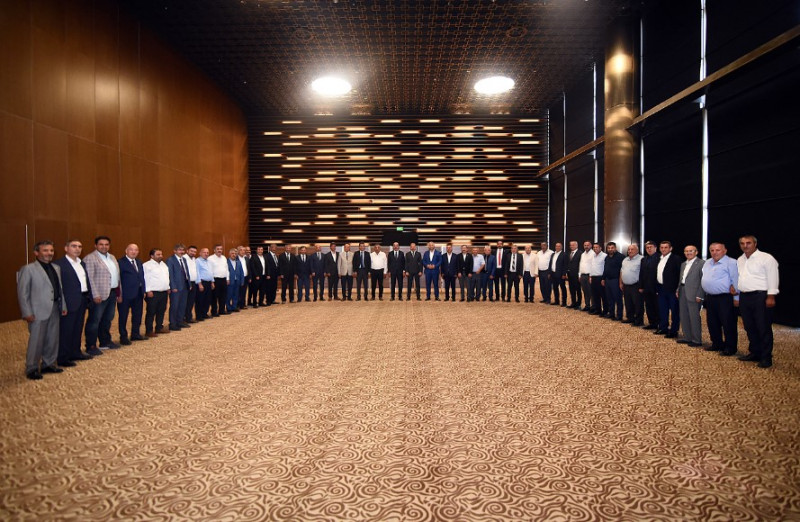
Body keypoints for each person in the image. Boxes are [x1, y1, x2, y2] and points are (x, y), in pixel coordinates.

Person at [17, 240, 67, 380]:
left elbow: (59, 289)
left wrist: (63, 306)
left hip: (54, 308)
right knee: (36, 340)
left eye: (51, 250)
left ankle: (49, 364)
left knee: (52, 338)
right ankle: (32, 368)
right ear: (36, 252)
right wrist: (27, 312)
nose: (49, 253)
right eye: (45, 250)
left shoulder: (56, 268)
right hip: (37, 310)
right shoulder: (28, 269)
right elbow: (23, 293)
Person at [736, 235, 779, 368]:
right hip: (744, 296)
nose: (745, 246)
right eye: (742, 243)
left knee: (763, 327)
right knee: (749, 326)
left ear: (755, 244)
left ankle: (766, 357)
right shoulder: (740, 259)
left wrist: (771, 296)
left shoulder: (766, 258)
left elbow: (773, 277)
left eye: (748, 243)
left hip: (761, 296)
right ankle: (755, 352)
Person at [54, 239, 93, 364]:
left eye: (80, 246)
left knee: (77, 328)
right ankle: (63, 357)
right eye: (74, 246)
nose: (77, 249)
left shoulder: (82, 263)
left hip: (82, 299)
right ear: (66, 248)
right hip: (68, 301)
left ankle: (75, 352)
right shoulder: (59, 264)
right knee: (66, 330)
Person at [83, 236, 121, 353]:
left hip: (112, 293)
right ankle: (91, 345)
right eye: (101, 244)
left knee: (107, 319)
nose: (104, 247)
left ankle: (105, 342)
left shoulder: (112, 257)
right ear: (95, 245)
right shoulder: (90, 258)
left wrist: (119, 293)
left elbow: (117, 276)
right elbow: (89, 278)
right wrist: (95, 294)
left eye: (106, 244)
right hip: (99, 295)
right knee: (94, 320)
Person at [701, 242, 739, 356]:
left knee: (728, 323)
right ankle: (717, 344)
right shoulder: (707, 262)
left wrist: (737, 298)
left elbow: (736, 280)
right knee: (712, 322)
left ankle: (730, 347)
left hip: (725, 297)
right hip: (710, 297)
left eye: (717, 250)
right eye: (712, 250)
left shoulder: (732, 262)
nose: (714, 252)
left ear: (725, 251)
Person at [117, 243, 146, 345]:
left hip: (138, 293)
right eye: (131, 250)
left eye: (136, 250)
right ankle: (123, 336)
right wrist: (118, 294)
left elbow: (141, 277)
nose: (134, 252)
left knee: (137, 315)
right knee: (123, 316)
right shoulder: (120, 262)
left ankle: (135, 334)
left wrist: (143, 290)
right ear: (126, 251)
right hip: (125, 295)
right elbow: (118, 280)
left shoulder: (139, 262)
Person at [677, 245, 705, 347]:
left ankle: (697, 340)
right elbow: (682, 278)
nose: (688, 253)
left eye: (691, 251)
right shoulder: (683, 264)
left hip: (694, 294)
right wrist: (678, 289)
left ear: (696, 252)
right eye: (686, 251)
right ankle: (687, 337)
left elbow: (703, 280)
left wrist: (700, 295)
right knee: (684, 316)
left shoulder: (702, 263)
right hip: (683, 291)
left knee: (694, 317)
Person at [655, 241, 682, 338]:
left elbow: (680, 274)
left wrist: (678, 288)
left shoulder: (676, 259)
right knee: (663, 309)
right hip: (661, 288)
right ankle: (663, 328)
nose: (663, 249)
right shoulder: (659, 258)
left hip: (672, 289)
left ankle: (674, 330)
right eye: (661, 247)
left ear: (670, 248)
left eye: (666, 247)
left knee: (674, 311)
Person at [143, 248, 170, 337]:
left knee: (161, 310)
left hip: (163, 292)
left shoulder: (163, 264)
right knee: (151, 312)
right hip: (153, 293)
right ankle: (149, 331)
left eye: (161, 254)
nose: (160, 256)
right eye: (158, 254)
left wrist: (168, 287)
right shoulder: (147, 265)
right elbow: (145, 278)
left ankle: (159, 327)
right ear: (152, 256)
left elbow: (166, 277)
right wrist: (148, 290)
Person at [166, 244, 191, 331]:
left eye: (183, 250)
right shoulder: (170, 260)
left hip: (185, 285)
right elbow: (170, 274)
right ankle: (172, 324)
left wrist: (189, 284)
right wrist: (173, 286)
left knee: (182, 305)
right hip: (176, 287)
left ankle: (180, 321)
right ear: (175, 251)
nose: (182, 252)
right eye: (180, 250)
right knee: (175, 305)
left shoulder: (184, 259)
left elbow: (186, 272)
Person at [620, 244, 644, 326]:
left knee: (637, 304)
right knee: (628, 303)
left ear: (637, 250)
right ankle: (630, 318)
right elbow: (621, 271)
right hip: (626, 285)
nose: (630, 251)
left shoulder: (641, 259)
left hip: (636, 285)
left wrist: (642, 286)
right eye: (629, 249)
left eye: (632, 249)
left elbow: (643, 273)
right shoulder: (625, 260)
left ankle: (639, 321)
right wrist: (621, 282)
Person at [638, 241, 660, 329]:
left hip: (656, 287)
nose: (649, 249)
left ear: (655, 248)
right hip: (646, 287)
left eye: (651, 247)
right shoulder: (644, 259)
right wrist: (641, 286)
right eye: (647, 247)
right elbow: (641, 274)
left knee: (657, 306)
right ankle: (652, 323)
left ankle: (659, 324)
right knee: (648, 306)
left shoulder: (660, 258)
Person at [602, 242, 624, 320]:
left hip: (616, 280)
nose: (610, 249)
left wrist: (621, 282)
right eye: (609, 248)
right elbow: (605, 269)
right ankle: (611, 314)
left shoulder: (621, 257)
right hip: (608, 280)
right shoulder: (607, 257)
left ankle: (619, 315)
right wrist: (603, 278)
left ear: (615, 248)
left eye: (612, 248)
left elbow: (622, 270)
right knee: (609, 298)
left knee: (618, 299)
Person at [207, 244, 230, 316]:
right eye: (218, 249)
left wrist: (227, 278)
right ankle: (214, 311)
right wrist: (212, 281)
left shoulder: (224, 258)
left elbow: (226, 269)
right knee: (214, 296)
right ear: (214, 250)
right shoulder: (210, 258)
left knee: (223, 296)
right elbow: (210, 271)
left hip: (223, 279)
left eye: (221, 249)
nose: (219, 250)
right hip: (215, 280)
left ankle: (221, 310)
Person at [195, 247, 215, 319]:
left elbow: (211, 272)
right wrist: (199, 283)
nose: (206, 254)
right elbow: (197, 272)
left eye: (207, 253)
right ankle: (199, 315)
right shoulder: (197, 261)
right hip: (202, 282)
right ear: (200, 253)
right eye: (204, 252)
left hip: (209, 283)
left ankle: (204, 313)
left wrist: (212, 282)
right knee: (200, 299)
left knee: (207, 299)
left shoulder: (209, 261)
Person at [589, 243, 607, 316]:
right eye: (594, 247)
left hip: (600, 278)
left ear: (600, 248)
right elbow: (591, 267)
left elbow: (606, 268)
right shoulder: (593, 256)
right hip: (593, 277)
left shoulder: (604, 256)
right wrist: (590, 276)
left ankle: (605, 311)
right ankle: (598, 310)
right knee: (595, 295)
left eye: (597, 247)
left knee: (603, 295)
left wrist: (604, 278)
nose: (595, 248)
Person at [550, 242, 568, 306]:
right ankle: (556, 301)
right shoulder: (553, 254)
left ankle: (564, 302)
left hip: (561, 275)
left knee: (563, 288)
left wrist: (564, 274)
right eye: (556, 246)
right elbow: (551, 264)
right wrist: (550, 273)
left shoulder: (564, 254)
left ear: (561, 247)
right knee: (555, 288)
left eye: (559, 246)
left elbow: (565, 265)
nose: (557, 247)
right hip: (553, 274)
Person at [183, 246, 199, 322]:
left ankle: (188, 317)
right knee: (185, 301)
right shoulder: (184, 258)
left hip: (193, 282)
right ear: (187, 251)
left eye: (194, 252)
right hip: (186, 283)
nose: (193, 253)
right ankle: (183, 317)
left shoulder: (194, 259)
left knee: (191, 301)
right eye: (191, 251)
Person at [577, 241, 594, 311]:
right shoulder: (583, 254)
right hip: (583, 275)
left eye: (588, 245)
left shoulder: (593, 254)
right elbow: (580, 265)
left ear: (591, 246)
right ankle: (587, 305)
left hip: (589, 276)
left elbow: (593, 265)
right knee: (585, 291)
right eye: (585, 245)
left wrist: (591, 276)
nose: (586, 246)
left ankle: (593, 307)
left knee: (591, 292)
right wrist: (579, 275)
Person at [566, 240, 582, 309]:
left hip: (576, 275)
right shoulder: (569, 253)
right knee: (571, 289)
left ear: (576, 245)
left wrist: (579, 274)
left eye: (573, 245)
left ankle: (578, 304)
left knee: (578, 289)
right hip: (570, 274)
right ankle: (573, 303)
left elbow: (581, 264)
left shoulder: (580, 253)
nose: (571, 246)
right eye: (570, 245)